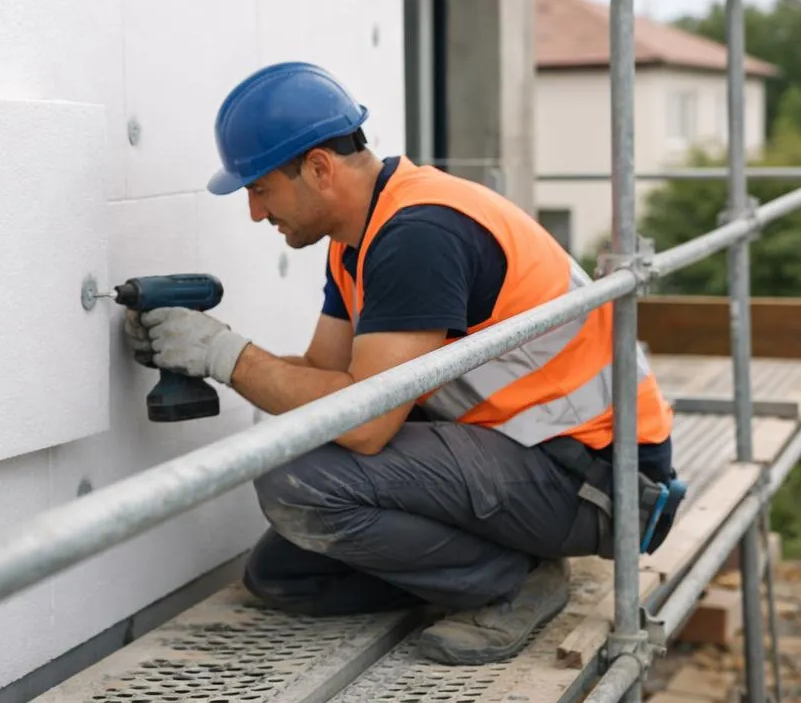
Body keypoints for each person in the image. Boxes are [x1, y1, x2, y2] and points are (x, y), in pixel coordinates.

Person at [126, 61, 680, 666]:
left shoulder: (419, 233)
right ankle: (506, 560)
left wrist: (226, 357)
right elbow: (324, 377)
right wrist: (206, 348)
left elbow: (364, 425)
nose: (256, 212)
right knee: (285, 574)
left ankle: (512, 584)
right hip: (532, 457)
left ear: (318, 168)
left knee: (297, 483)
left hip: (602, 481)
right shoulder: (357, 238)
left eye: (260, 188)